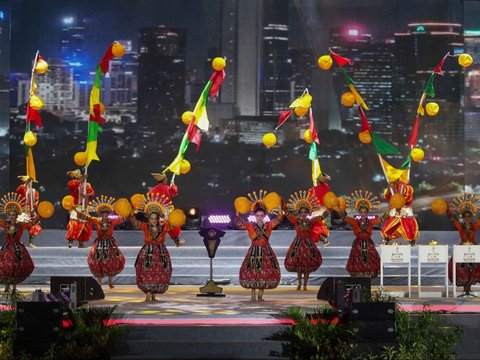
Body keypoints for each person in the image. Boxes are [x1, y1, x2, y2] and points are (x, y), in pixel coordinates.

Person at [130, 194, 185, 302]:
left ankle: (154, 293)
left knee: (160, 271)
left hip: (160, 252)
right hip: (148, 251)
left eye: (155, 218)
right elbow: (136, 224)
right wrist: (132, 215)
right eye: (151, 218)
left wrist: (177, 242)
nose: (153, 220)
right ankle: (148, 293)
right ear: (148, 218)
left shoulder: (164, 226)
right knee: (146, 271)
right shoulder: (145, 226)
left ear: (158, 218)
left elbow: (173, 233)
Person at [235, 190, 283, 302]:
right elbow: (239, 223)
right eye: (258, 215)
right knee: (252, 272)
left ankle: (261, 295)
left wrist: (279, 206)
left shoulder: (269, 225)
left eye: (261, 215)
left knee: (264, 272)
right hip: (254, 251)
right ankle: (252, 295)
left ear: (265, 216)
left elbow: (279, 218)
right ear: (254, 216)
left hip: (266, 251)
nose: (259, 217)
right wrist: (237, 212)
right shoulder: (250, 225)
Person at [79, 196, 126, 288]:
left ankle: (110, 283)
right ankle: (99, 283)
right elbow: (88, 218)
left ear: (108, 214)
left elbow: (122, 219)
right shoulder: (97, 221)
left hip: (110, 243)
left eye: (106, 214)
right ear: (100, 214)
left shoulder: (111, 221)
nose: (104, 216)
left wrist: (129, 213)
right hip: (99, 243)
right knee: (98, 261)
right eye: (103, 215)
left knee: (112, 261)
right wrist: (79, 212)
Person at [284, 190, 325, 291]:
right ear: (298, 213)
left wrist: (330, 207)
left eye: (305, 212)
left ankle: (305, 285)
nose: (303, 214)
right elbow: (287, 214)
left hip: (308, 244)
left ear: (308, 213)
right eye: (301, 212)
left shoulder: (310, 221)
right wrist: (282, 205)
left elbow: (322, 217)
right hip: (298, 244)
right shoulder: (296, 221)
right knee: (299, 266)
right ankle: (299, 283)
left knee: (306, 267)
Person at [343, 190, 384, 278]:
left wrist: (390, 208)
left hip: (368, 244)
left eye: (365, 212)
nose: (363, 214)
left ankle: (367, 281)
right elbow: (344, 218)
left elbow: (382, 219)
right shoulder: (355, 222)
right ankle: (360, 282)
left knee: (369, 262)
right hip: (358, 244)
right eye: (361, 212)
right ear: (359, 212)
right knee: (358, 262)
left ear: (367, 213)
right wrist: (339, 208)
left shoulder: (370, 222)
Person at [0, 193, 36, 292]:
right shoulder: (5, 224)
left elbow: (32, 223)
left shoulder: (20, 225)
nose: (12, 217)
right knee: (6, 265)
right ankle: (7, 285)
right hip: (7, 248)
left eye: (14, 215)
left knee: (17, 266)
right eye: (10, 215)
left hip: (17, 248)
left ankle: (15, 286)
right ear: (7, 215)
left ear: (17, 216)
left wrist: (38, 215)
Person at [446, 193, 480, 296]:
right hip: (462, 249)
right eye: (465, 217)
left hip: (472, 249)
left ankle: (469, 288)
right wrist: (447, 209)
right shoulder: (460, 227)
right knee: (463, 268)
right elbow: (452, 218)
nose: (467, 218)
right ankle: (465, 288)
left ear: (471, 217)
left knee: (473, 267)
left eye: (469, 216)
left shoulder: (474, 226)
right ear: (463, 217)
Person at [381, 179, 419, 245]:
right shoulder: (391, 186)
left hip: (404, 210)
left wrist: (400, 203)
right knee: (389, 226)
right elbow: (388, 197)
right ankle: (386, 240)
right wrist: (390, 189)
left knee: (408, 227)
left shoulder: (407, 187)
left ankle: (412, 242)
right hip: (395, 210)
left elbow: (408, 199)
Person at [66, 169, 95, 248]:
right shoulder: (72, 183)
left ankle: (81, 243)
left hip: (84, 208)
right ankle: (70, 240)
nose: (79, 176)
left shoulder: (87, 184)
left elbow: (92, 192)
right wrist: (82, 179)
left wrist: (87, 195)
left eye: (80, 175)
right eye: (77, 175)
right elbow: (73, 185)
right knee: (74, 224)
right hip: (76, 207)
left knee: (84, 225)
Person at [16, 175, 41, 248]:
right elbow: (19, 192)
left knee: (35, 226)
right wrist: (25, 183)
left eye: (31, 182)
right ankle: (15, 242)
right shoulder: (21, 188)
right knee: (19, 227)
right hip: (23, 210)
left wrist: (33, 208)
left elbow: (36, 200)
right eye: (29, 181)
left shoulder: (34, 191)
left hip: (31, 211)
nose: (31, 183)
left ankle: (30, 242)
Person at [309, 173, 333, 245]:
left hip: (317, 209)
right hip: (326, 209)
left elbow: (309, 200)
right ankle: (322, 237)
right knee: (319, 223)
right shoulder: (327, 188)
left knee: (315, 224)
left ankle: (321, 237)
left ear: (318, 181)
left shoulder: (312, 190)